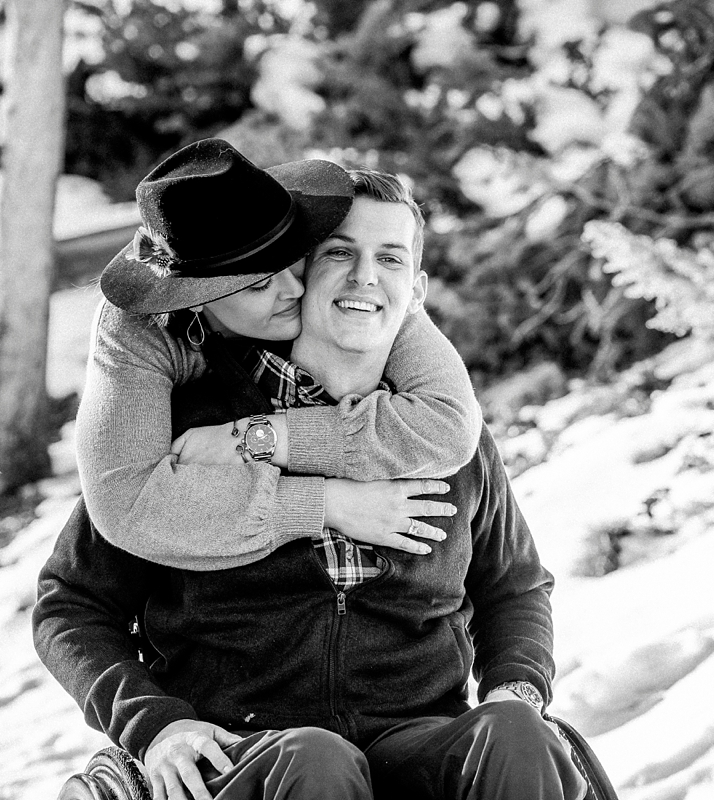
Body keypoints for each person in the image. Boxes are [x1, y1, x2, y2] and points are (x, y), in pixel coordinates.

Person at [34, 167, 586, 800]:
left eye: (390, 259)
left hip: (415, 736)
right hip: (242, 747)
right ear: (302, 269)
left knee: (515, 732)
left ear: (418, 290)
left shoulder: (445, 431)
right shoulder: (184, 430)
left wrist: (516, 687)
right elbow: (72, 605)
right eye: (340, 254)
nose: (365, 277)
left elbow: (512, 585)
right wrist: (156, 726)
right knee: (316, 759)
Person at [75, 138, 483, 572]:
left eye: (293, 260)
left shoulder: (363, 291)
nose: (295, 289)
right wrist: (325, 503)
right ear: (196, 299)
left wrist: (261, 439)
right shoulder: (137, 335)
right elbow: (126, 504)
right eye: (259, 284)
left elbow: (450, 426)